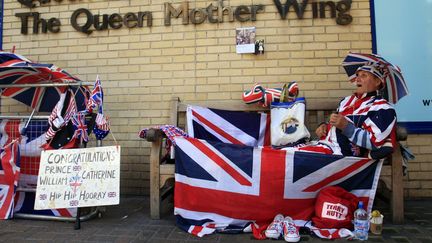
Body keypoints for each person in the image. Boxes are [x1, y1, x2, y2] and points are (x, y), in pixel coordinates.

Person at [305, 63, 397, 159]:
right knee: (289, 152)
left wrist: (346, 127)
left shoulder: (383, 108)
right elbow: (337, 123)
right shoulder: (346, 101)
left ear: (377, 81)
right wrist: (324, 126)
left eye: (364, 75)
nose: (357, 79)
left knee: (292, 158)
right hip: (324, 145)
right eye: (357, 75)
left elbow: (374, 141)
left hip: (342, 155)